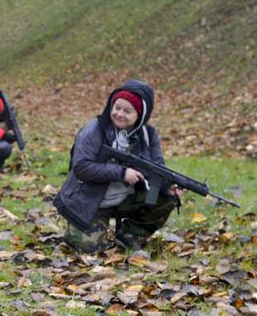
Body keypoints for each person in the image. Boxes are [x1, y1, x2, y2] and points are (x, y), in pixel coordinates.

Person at [53, 80, 182, 252]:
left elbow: (157, 167)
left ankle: (130, 234)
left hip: (126, 197)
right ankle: (77, 231)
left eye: (127, 111)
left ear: (140, 115)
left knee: (167, 198)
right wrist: (121, 172)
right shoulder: (94, 130)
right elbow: (81, 167)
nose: (119, 114)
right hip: (90, 201)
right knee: (89, 248)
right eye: (117, 107)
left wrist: (168, 186)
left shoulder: (148, 134)